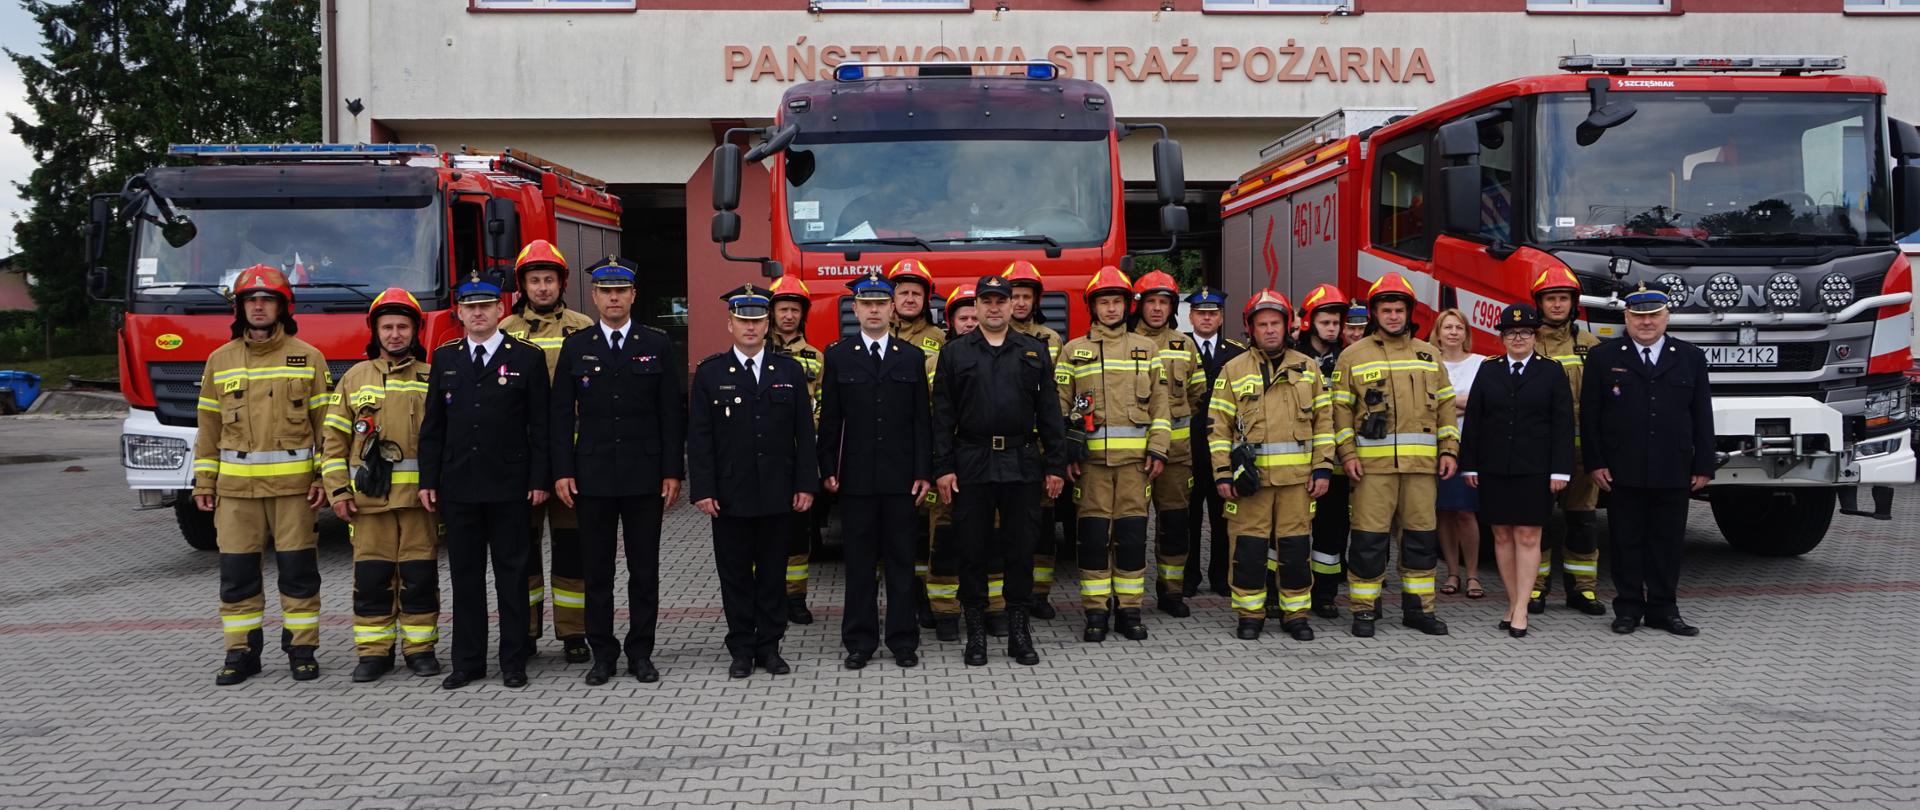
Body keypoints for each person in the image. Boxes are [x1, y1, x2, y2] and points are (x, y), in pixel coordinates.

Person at [549, 258, 686, 685]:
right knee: (598, 571)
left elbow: (671, 414)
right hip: (592, 477)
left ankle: (641, 652)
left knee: (644, 570)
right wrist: (563, 471)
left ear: (632, 296)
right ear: (593, 297)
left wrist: (672, 471)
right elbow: (558, 417)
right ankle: (602, 653)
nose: (613, 297)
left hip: (645, 476)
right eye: (605, 291)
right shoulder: (577, 346)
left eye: (620, 291)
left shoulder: (657, 343)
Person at [192, 265, 331, 685]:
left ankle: (302, 650)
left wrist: (324, 478)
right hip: (236, 494)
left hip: (293, 492)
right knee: (237, 576)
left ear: (281, 306)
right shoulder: (220, 360)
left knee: (299, 573)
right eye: (250, 300)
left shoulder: (308, 357)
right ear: (239, 307)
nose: (257, 306)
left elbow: (327, 427)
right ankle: (241, 653)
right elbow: (209, 428)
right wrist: (204, 482)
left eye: (266, 299)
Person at [418, 274, 551, 690]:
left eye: (486, 306)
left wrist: (539, 478)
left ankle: (513, 660)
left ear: (499, 311)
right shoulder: (445, 358)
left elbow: (540, 427)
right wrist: (428, 479)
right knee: (465, 576)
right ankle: (468, 662)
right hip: (459, 485)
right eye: (470, 307)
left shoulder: (526, 357)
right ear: (459, 313)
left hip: (510, 485)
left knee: (512, 576)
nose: (478, 313)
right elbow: (433, 427)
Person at [931, 274, 1067, 666]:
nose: (994, 307)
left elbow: (1050, 412)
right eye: (986, 301)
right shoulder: (955, 353)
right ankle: (975, 633)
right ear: (975, 307)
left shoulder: (1032, 351)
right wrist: (943, 467)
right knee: (972, 550)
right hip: (971, 462)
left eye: (1000, 301)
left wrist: (1055, 462)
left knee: (1020, 550)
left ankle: (1019, 632)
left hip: (1022, 462)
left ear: (1012, 306)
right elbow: (942, 414)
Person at [689, 284, 820, 678]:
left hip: (779, 492)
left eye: (757, 321)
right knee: (735, 575)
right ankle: (742, 648)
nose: (750, 328)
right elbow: (700, 437)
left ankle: (770, 647)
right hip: (730, 494)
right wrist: (704, 489)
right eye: (743, 321)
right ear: (730, 324)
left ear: (767, 325)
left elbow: (804, 435)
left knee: (772, 574)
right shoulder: (711, 373)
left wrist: (805, 484)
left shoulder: (790, 371)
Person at [320, 287, 440, 683]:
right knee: (371, 580)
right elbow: (333, 440)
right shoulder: (355, 378)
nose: (394, 334)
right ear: (375, 330)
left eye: (402, 326)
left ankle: (420, 650)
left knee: (420, 579)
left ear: (415, 330)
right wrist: (337, 490)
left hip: (420, 503)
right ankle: (374, 654)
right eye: (387, 327)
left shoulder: (432, 374)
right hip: (368, 504)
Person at [1328, 273, 1457, 638]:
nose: (1393, 316)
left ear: (1409, 312)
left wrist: (1449, 450)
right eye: (1386, 310)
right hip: (1372, 469)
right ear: (1374, 313)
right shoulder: (1352, 356)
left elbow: (1446, 409)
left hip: (1421, 469)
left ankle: (1419, 610)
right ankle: (1365, 610)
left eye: (1399, 310)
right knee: (1369, 541)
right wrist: (1347, 454)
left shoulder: (1429, 355)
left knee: (1420, 541)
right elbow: (1340, 412)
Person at [817, 271, 933, 670]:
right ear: (855, 308)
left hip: (901, 478)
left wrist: (922, 470)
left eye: (880, 303)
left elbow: (922, 420)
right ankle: (860, 641)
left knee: (902, 562)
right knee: (860, 564)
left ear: (891, 309)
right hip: (856, 479)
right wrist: (828, 467)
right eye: (866, 304)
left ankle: (903, 640)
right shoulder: (837, 355)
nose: (873, 310)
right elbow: (831, 418)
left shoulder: (911, 357)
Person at [1582, 284, 1713, 636]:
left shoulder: (1689, 357)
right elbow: (1590, 417)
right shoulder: (1603, 357)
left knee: (1668, 543)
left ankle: (1663, 608)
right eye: (1638, 316)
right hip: (1623, 467)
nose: (1646, 323)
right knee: (1626, 541)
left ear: (1666, 317)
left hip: (1673, 467)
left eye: (1653, 315)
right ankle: (1627, 608)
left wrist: (1703, 464)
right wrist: (1595, 462)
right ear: (1626, 317)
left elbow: (1701, 415)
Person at [1208, 289, 1333, 640]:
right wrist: (1221, 473)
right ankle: (1250, 615)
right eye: (1262, 324)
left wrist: (1322, 468)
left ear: (1288, 325)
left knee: (1294, 551)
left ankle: (1295, 615)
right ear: (1251, 328)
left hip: (1296, 481)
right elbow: (1218, 428)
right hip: (1251, 483)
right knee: (1248, 550)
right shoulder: (1232, 370)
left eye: (1276, 323)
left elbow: (1324, 422)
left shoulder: (1307, 368)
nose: (1270, 330)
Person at [1056, 266, 1171, 643]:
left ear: (1127, 306)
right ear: (1093, 307)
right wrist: (1065, 454)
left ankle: (1130, 610)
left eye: (1116, 302)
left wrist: (1158, 449)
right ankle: (1095, 612)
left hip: (1136, 467)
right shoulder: (1075, 350)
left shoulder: (1147, 348)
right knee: (1091, 540)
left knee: (1132, 538)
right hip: (1091, 467)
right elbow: (1061, 405)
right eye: (1103, 302)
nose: (1110, 309)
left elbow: (1161, 406)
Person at [499, 240, 594, 663]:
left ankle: (574, 633)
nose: (542, 288)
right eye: (534, 280)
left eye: (549, 280)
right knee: (523, 551)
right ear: (523, 285)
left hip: (573, 458)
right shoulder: (504, 331)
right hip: (523, 461)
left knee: (573, 550)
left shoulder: (583, 326)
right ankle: (527, 630)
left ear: (562, 283)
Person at [1459, 303, 1575, 638]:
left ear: (1535, 336)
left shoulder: (1551, 371)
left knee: (1528, 536)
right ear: (1502, 338)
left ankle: (1522, 607)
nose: (1518, 338)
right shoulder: (1489, 370)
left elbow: (1563, 426)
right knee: (1501, 535)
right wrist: (1470, 464)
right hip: (1494, 468)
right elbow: (1475, 422)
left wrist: (1561, 471)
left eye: (1525, 332)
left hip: (1535, 470)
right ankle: (1512, 601)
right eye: (1511, 333)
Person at [924, 283, 1005, 640]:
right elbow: (931, 417)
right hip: (949, 462)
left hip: (987, 464)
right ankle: (944, 613)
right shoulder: (933, 361)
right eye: (964, 317)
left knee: (993, 538)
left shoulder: (998, 356)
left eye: (975, 316)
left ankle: (995, 608)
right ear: (951, 322)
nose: (971, 323)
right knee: (945, 538)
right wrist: (940, 465)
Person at [1529, 267, 1608, 617]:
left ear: (1574, 303)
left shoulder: (1590, 345)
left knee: (1582, 520)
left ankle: (1582, 590)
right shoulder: (1527, 340)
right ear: (1540, 303)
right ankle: (1535, 587)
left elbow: (1603, 401)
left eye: (1563, 298)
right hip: (1540, 453)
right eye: (1551, 298)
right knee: (1539, 521)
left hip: (1579, 454)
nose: (1557, 305)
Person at [1130, 270, 1208, 618]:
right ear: (1140, 306)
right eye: (1151, 302)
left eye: (1164, 303)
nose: (1158, 309)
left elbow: (1197, 395)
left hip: (1176, 457)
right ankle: (1127, 595)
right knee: (1129, 527)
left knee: (1175, 524)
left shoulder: (1185, 344)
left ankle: (1171, 592)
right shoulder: (1125, 341)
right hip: (1132, 454)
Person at [1003, 261, 1067, 619]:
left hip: (1040, 448)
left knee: (1041, 525)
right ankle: (1008, 598)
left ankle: (1038, 594)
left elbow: (1055, 398)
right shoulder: (994, 337)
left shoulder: (1050, 339)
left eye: (1027, 296)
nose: (1020, 303)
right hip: (1010, 446)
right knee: (1007, 527)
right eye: (1014, 296)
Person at [767, 274, 825, 626]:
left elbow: (824, 404)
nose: (788, 315)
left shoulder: (815, 357)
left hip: (800, 456)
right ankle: (768, 594)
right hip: (764, 456)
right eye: (782, 309)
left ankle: (795, 599)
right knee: (764, 529)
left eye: (794, 310)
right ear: (771, 312)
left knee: (798, 533)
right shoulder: (759, 349)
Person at [1296, 283, 1353, 618]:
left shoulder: (1348, 359)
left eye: (1336, 323)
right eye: (1326, 322)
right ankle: (1290, 593)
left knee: (1331, 537)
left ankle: (1326, 596)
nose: (1332, 328)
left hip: (1335, 467)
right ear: (1309, 323)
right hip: (1298, 463)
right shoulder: (1294, 359)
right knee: (1292, 535)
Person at [1183, 286, 1244, 600]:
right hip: (1189, 449)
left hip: (1223, 449)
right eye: (1200, 312)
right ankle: (1188, 577)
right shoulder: (1179, 348)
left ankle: (1220, 577)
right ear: (1191, 316)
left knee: (1224, 518)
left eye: (1212, 313)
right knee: (1188, 518)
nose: (1206, 318)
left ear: (1221, 317)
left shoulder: (1236, 353)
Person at [1430, 308, 1486, 600]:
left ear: (1466, 333)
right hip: (1437, 449)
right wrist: (1461, 402)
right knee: (1445, 513)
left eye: (1458, 328)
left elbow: (1482, 404)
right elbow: (1428, 405)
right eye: (1447, 327)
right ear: (1437, 333)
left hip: (1469, 447)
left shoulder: (1481, 364)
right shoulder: (1428, 363)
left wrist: (1448, 402)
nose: (1453, 332)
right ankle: (1452, 572)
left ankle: (1473, 574)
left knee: (1467, 513)